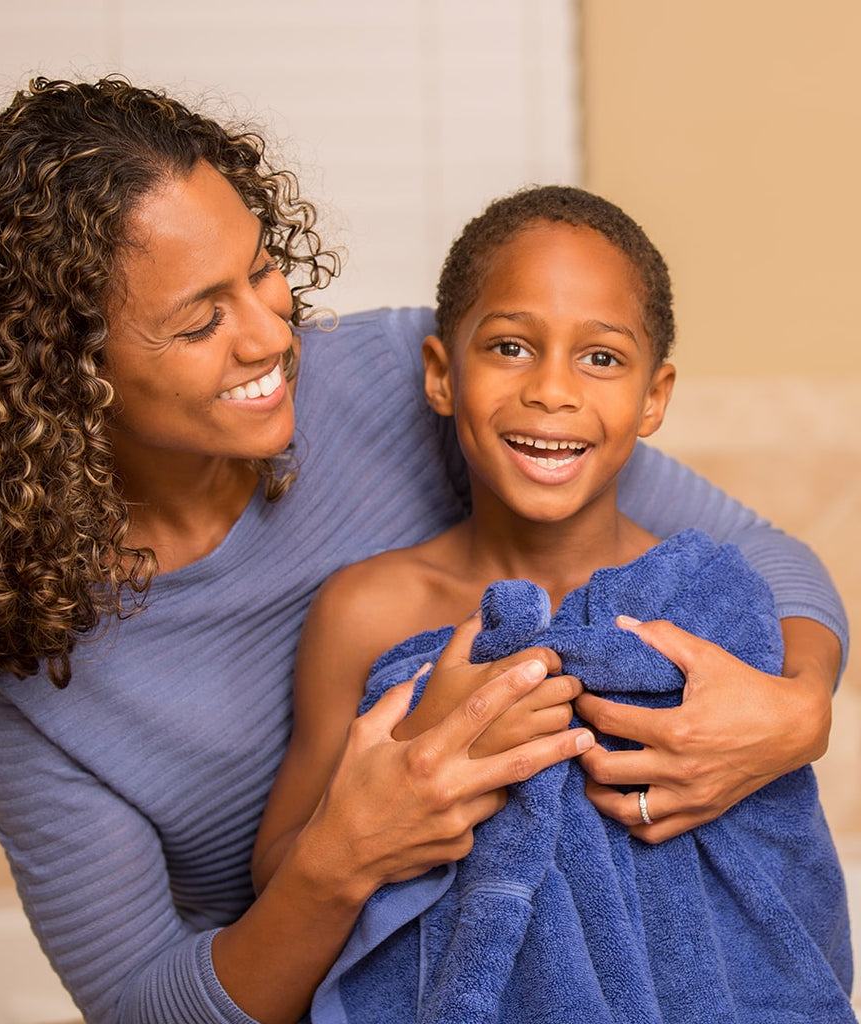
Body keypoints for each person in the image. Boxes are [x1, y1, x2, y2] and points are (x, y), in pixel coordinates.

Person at [0, 77, 846, 1024]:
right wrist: (347, 851)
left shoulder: (393, 378)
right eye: (203, 318)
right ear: (65, 373)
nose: (270, 334)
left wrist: (797, 706)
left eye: (258, 270)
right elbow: (137, 1005)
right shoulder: (15, 649)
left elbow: (756, 555)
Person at [254, 185, 853, 1021]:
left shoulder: (706, 608)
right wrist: (420, 758)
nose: (552, 390)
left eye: (601, 358)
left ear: (654, 396)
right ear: (440, 375)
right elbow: (282, 867)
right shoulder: (368, 608)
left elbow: (782, 875)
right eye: (508, 346)